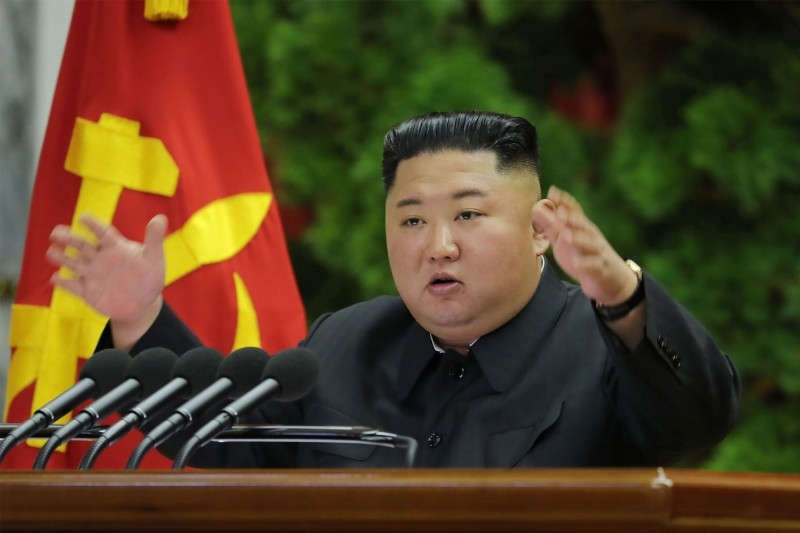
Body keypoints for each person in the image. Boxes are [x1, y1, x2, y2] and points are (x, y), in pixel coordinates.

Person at [47, 110, 740, 468]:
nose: (438, 244)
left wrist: (622, 293)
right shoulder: (346, 341)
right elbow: (235, 446)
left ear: (538, 230)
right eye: (412, 219)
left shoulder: (605, 347)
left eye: (468, 214)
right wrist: (142, 319)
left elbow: (696, 420)